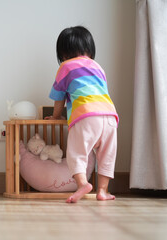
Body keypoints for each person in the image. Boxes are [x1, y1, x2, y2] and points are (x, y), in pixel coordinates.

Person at [46, 26, 119, 203]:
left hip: (86, 116)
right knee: (106, 154)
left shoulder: (66, 67)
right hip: (109, 116)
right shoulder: (98, 67)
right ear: (89, 48)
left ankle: (82, 184)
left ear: (62, 53)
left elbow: (59, 98)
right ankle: (102, 191)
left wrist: (56, 116)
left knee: (76, 153)